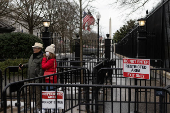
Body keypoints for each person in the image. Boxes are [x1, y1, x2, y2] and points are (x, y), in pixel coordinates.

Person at [19, 42, 44, 112]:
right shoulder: (32, 55)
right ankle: (27, 106)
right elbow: (30, 64)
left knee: (37, 93)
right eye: (33, 48)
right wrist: (23, 65)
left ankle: (38, 107)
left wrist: (38, 77)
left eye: (35, 48)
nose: (33, 49)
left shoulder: (41, 57)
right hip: (29, 77)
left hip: (36, 78)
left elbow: (41, 69)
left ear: (39, 49)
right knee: (28, 92)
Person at [41, 44, 57, 113]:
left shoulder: (51, 60)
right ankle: (51, 107)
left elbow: (44, 66)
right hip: (50, 79)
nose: (45, 53)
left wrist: (44, 59)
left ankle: (51, 107)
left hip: (50, 79)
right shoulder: (51, 60)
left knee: (50, 93)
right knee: (50, 93)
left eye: (47, 51)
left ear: (50, 53)